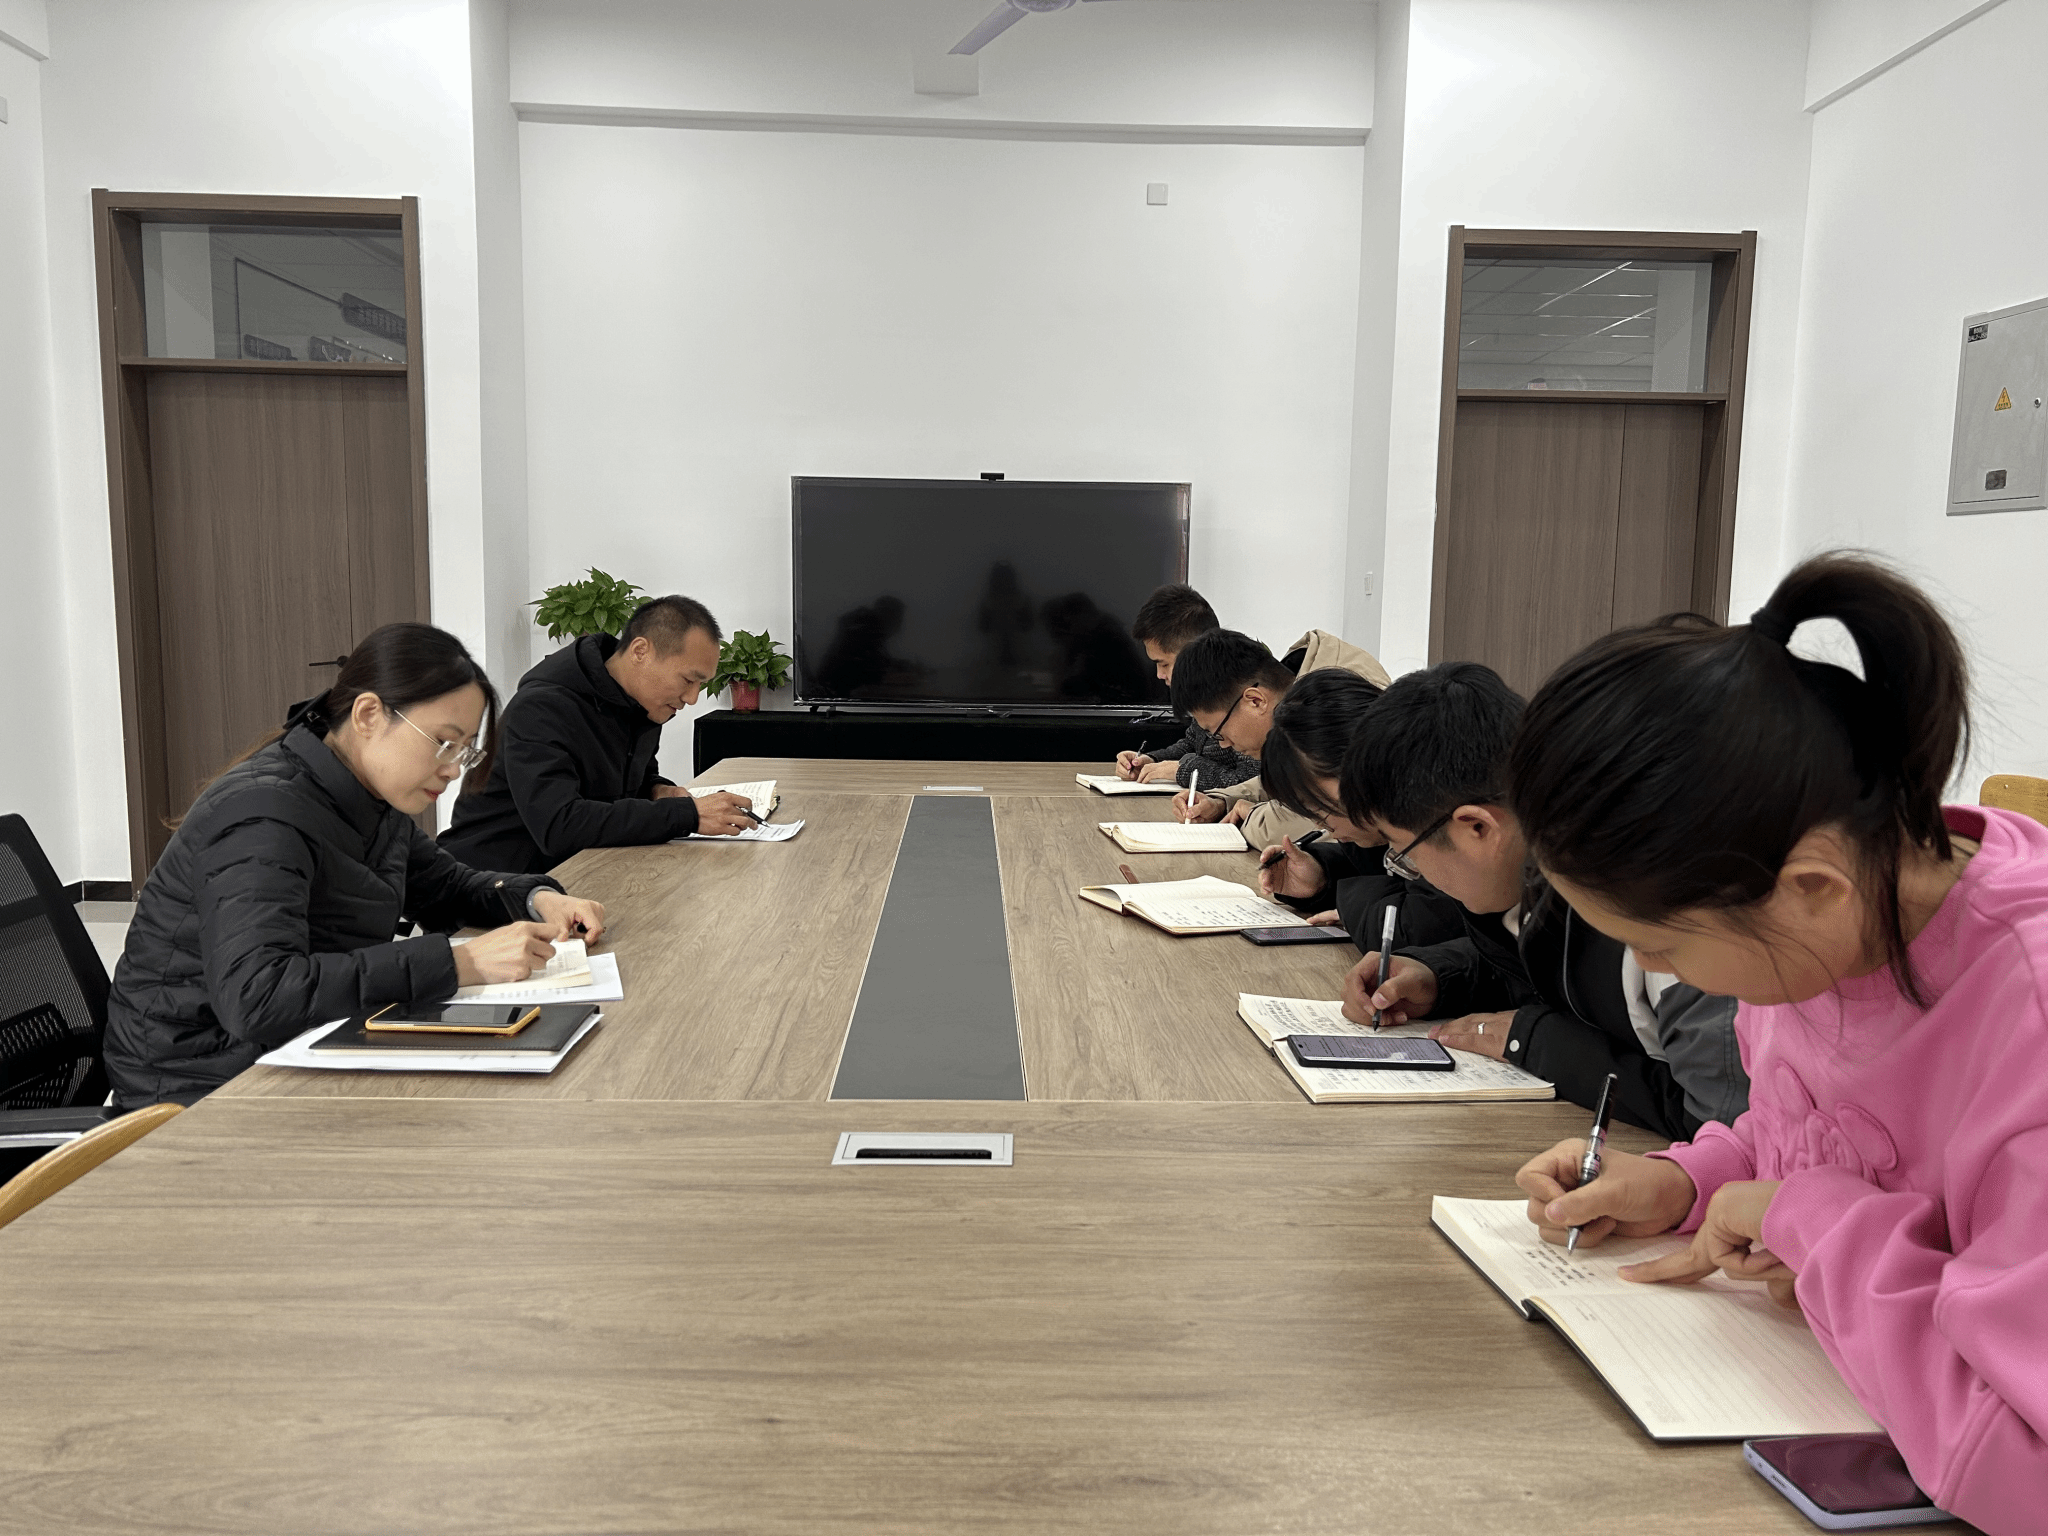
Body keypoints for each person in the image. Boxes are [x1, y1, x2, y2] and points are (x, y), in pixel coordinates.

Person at [1505, 554, 2046, 1532]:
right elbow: (1813, 1131)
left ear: (1810, 887)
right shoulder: (1825, 936)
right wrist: (1691, 1181)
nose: (1655, 974)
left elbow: (2024, 1464)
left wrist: (1812, 1222)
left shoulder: (2026, 1025)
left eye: (1661, 947)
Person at [104, 623, 608, 1108]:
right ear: (368, 715)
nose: (454, 769)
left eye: (465, 751)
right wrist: (461, 964)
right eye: (443, 742)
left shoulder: (369, 799)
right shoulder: (264, 814)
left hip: (292, 1047)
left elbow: (445, 885)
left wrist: (536, 898)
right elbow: (257, 996)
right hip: (197, 1084)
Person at [1339, 660, 1746, 1140]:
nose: (1413, 871)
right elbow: (1546, 966)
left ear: (1478, 827)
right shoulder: (1537, 867)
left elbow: (1726, 1121)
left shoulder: (1661, 910)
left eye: (1405, 852)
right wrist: (1439, 976)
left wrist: (1538, 1041)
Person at [440, 594, 754, 875]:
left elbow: (634, 779)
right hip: (490, 887)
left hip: (578, 874)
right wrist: (687, 815)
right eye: (688, 680)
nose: (692, 698)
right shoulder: (542, 707)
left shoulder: (643, 705)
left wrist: (658, 790)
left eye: (700, 684)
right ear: (640, 651)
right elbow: (559, 825)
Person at [1254, 669, 1466, 954]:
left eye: (1319, 808)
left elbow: (1418, 929)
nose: (1321, 824)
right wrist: (1321, 876)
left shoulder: (1440, 819)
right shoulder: (1389, 821)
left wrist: (1351, 907)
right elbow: (1379, 868)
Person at [1167, 627, 1395, 846]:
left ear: (1255, 701)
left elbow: (1326, 821)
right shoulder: (1296, 692)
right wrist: (1223, 801)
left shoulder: (1332, 702)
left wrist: (1251, 816)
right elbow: (1296, 777)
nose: (1224, 744)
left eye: (1218, 732)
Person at [1115, 583, 1258, 791]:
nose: (1159, 675)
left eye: (1164, 664)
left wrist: (1183, 770)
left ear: (1193, 654)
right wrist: (1152, 761)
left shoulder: (1243, 700)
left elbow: (1251, 782)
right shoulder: (1205, 691)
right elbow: (1193, 744)